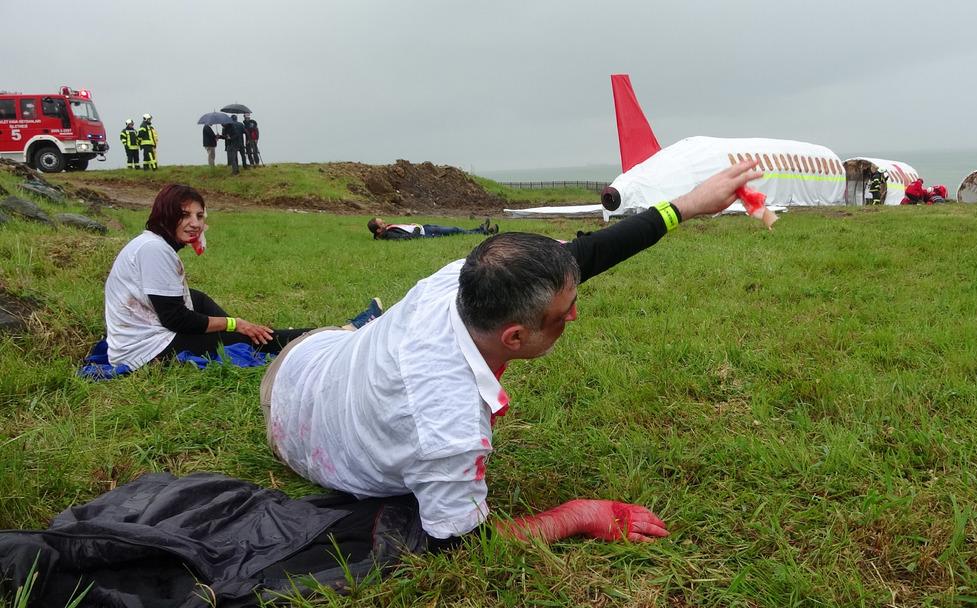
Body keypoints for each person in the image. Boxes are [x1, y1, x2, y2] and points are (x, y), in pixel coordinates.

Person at [261, 160, 763, 548]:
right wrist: (578, 514)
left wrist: (688, 205)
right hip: (291, 425)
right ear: (515, 338)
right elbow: (460, 542)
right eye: (564, 312)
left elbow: (585, 254)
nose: (574, 315)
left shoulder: (465, 277)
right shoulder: (448, 425)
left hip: (314, 361)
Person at [103, 184, 381, 372]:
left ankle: (249, 336)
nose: (195, 223)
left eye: (199, 216)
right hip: (146, 352)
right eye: (184, 215)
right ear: (166, 214)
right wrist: (236, 324)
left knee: (199, 300)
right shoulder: (154, 250)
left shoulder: (152, 243)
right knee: (243, 340)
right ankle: (341, 334)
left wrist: (236, 327)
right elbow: (175, 319)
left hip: (141, 337)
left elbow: (175, 305)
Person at [368, 217, 498, 239]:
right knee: (454, 230)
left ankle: (481, 230)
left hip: (425, 228)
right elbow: (409, 237)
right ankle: (483, 232)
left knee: (455, 229)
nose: (385, 223)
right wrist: (417, 228)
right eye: (382, 223)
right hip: (426, 232)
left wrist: (413, 225)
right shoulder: (389, 235)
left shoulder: (386, 230)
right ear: (378, 230)